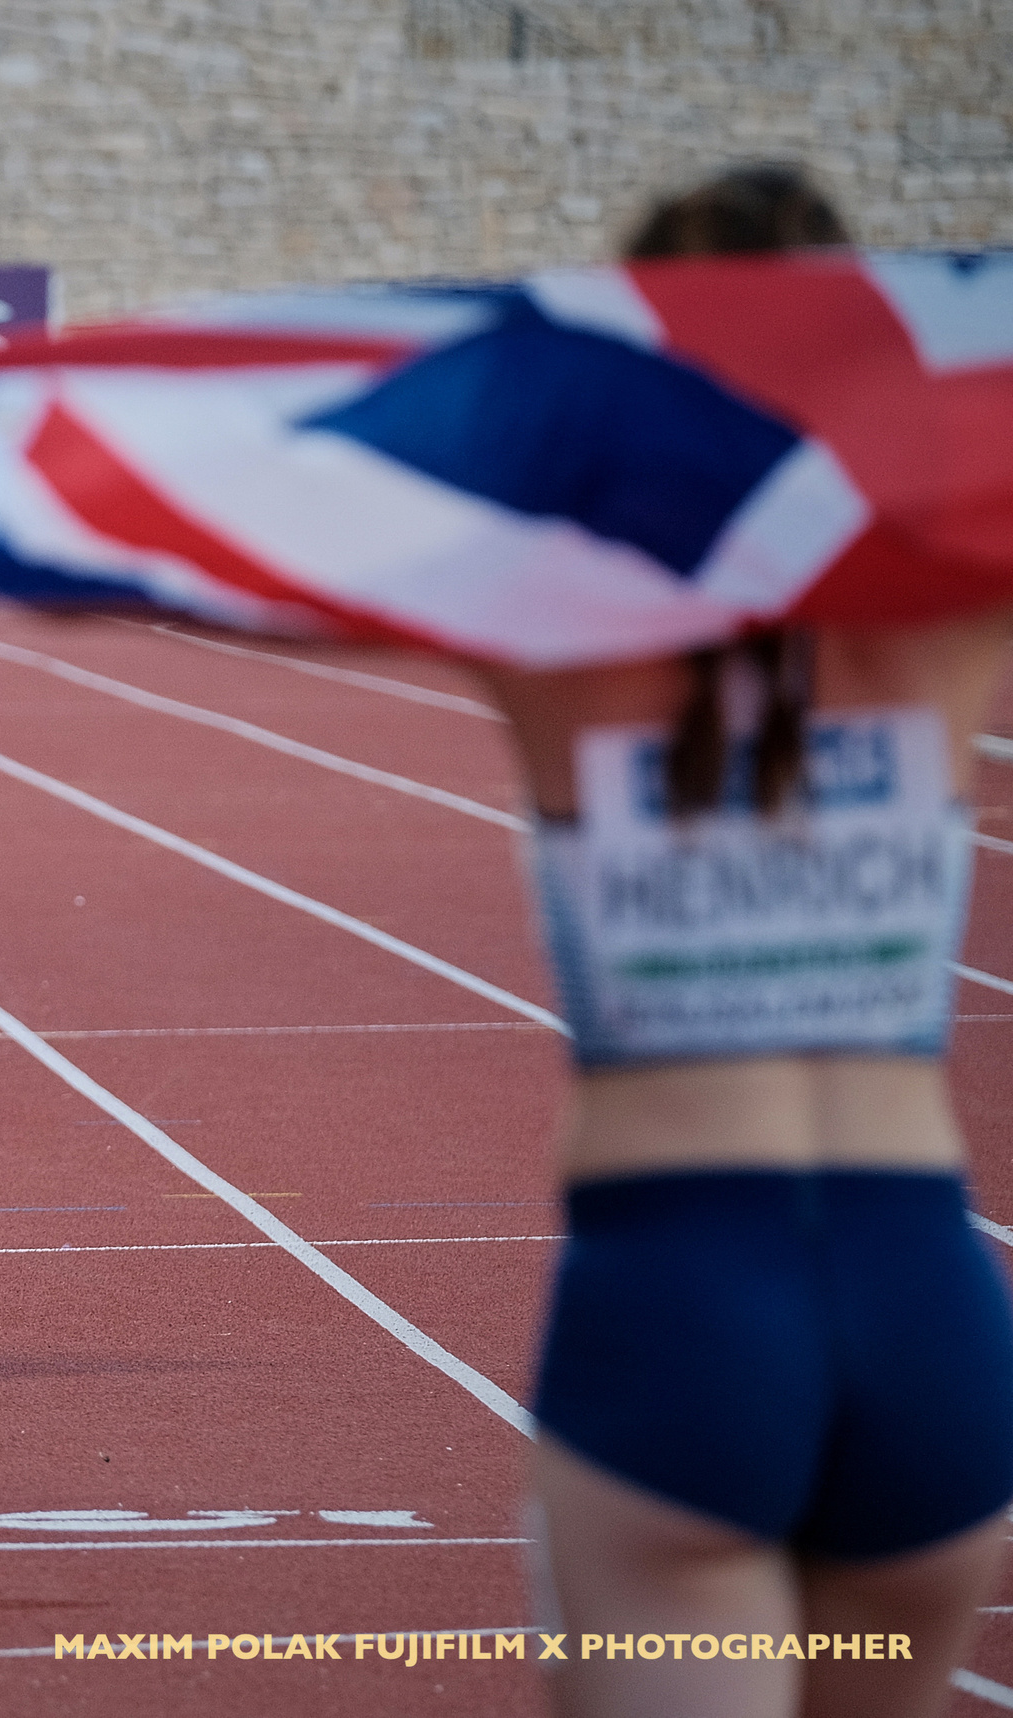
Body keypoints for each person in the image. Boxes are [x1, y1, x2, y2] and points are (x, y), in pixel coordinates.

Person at [479, 165, 1013, 1716]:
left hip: (683, 1305)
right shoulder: (950, 614)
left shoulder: (551, 623)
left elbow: (239, 525)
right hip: (927, 1292)